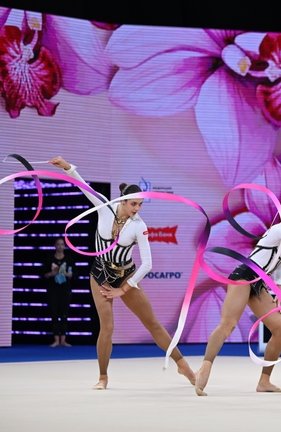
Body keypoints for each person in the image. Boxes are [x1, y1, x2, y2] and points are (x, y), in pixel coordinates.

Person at [48, 156, 196, 390]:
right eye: (133, 204)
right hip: (100, 275)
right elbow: (83, 185)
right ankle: (103, 377)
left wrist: (123, 289)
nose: (137, 209)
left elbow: (147, 263)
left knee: (153, 324)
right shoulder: (104, 207)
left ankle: (181, 364)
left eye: (140, 205)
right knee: (107, 327)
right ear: (124, 201)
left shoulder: (140, 226)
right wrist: (67, 167)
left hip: (125, 276)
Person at [194, 194, 281, 396]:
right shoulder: (280, 230)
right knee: (228, 324)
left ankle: (264, 381)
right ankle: (205, 367)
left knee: (280, 329)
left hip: (260, 283)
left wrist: (278, 287)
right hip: (244, 276)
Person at [43, 237, 75, 347]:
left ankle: (63, 340)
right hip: (53, 290)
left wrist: (64, 273)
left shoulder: (69, 259)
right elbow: (44, 275)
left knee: (64, 314)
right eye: (58, 244)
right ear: (55, 246)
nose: (60, 246)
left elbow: (74, 275)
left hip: (65, 290)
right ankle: (56, 340)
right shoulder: (49, 259)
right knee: (54, 314)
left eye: (62, 244)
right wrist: (53, 273)